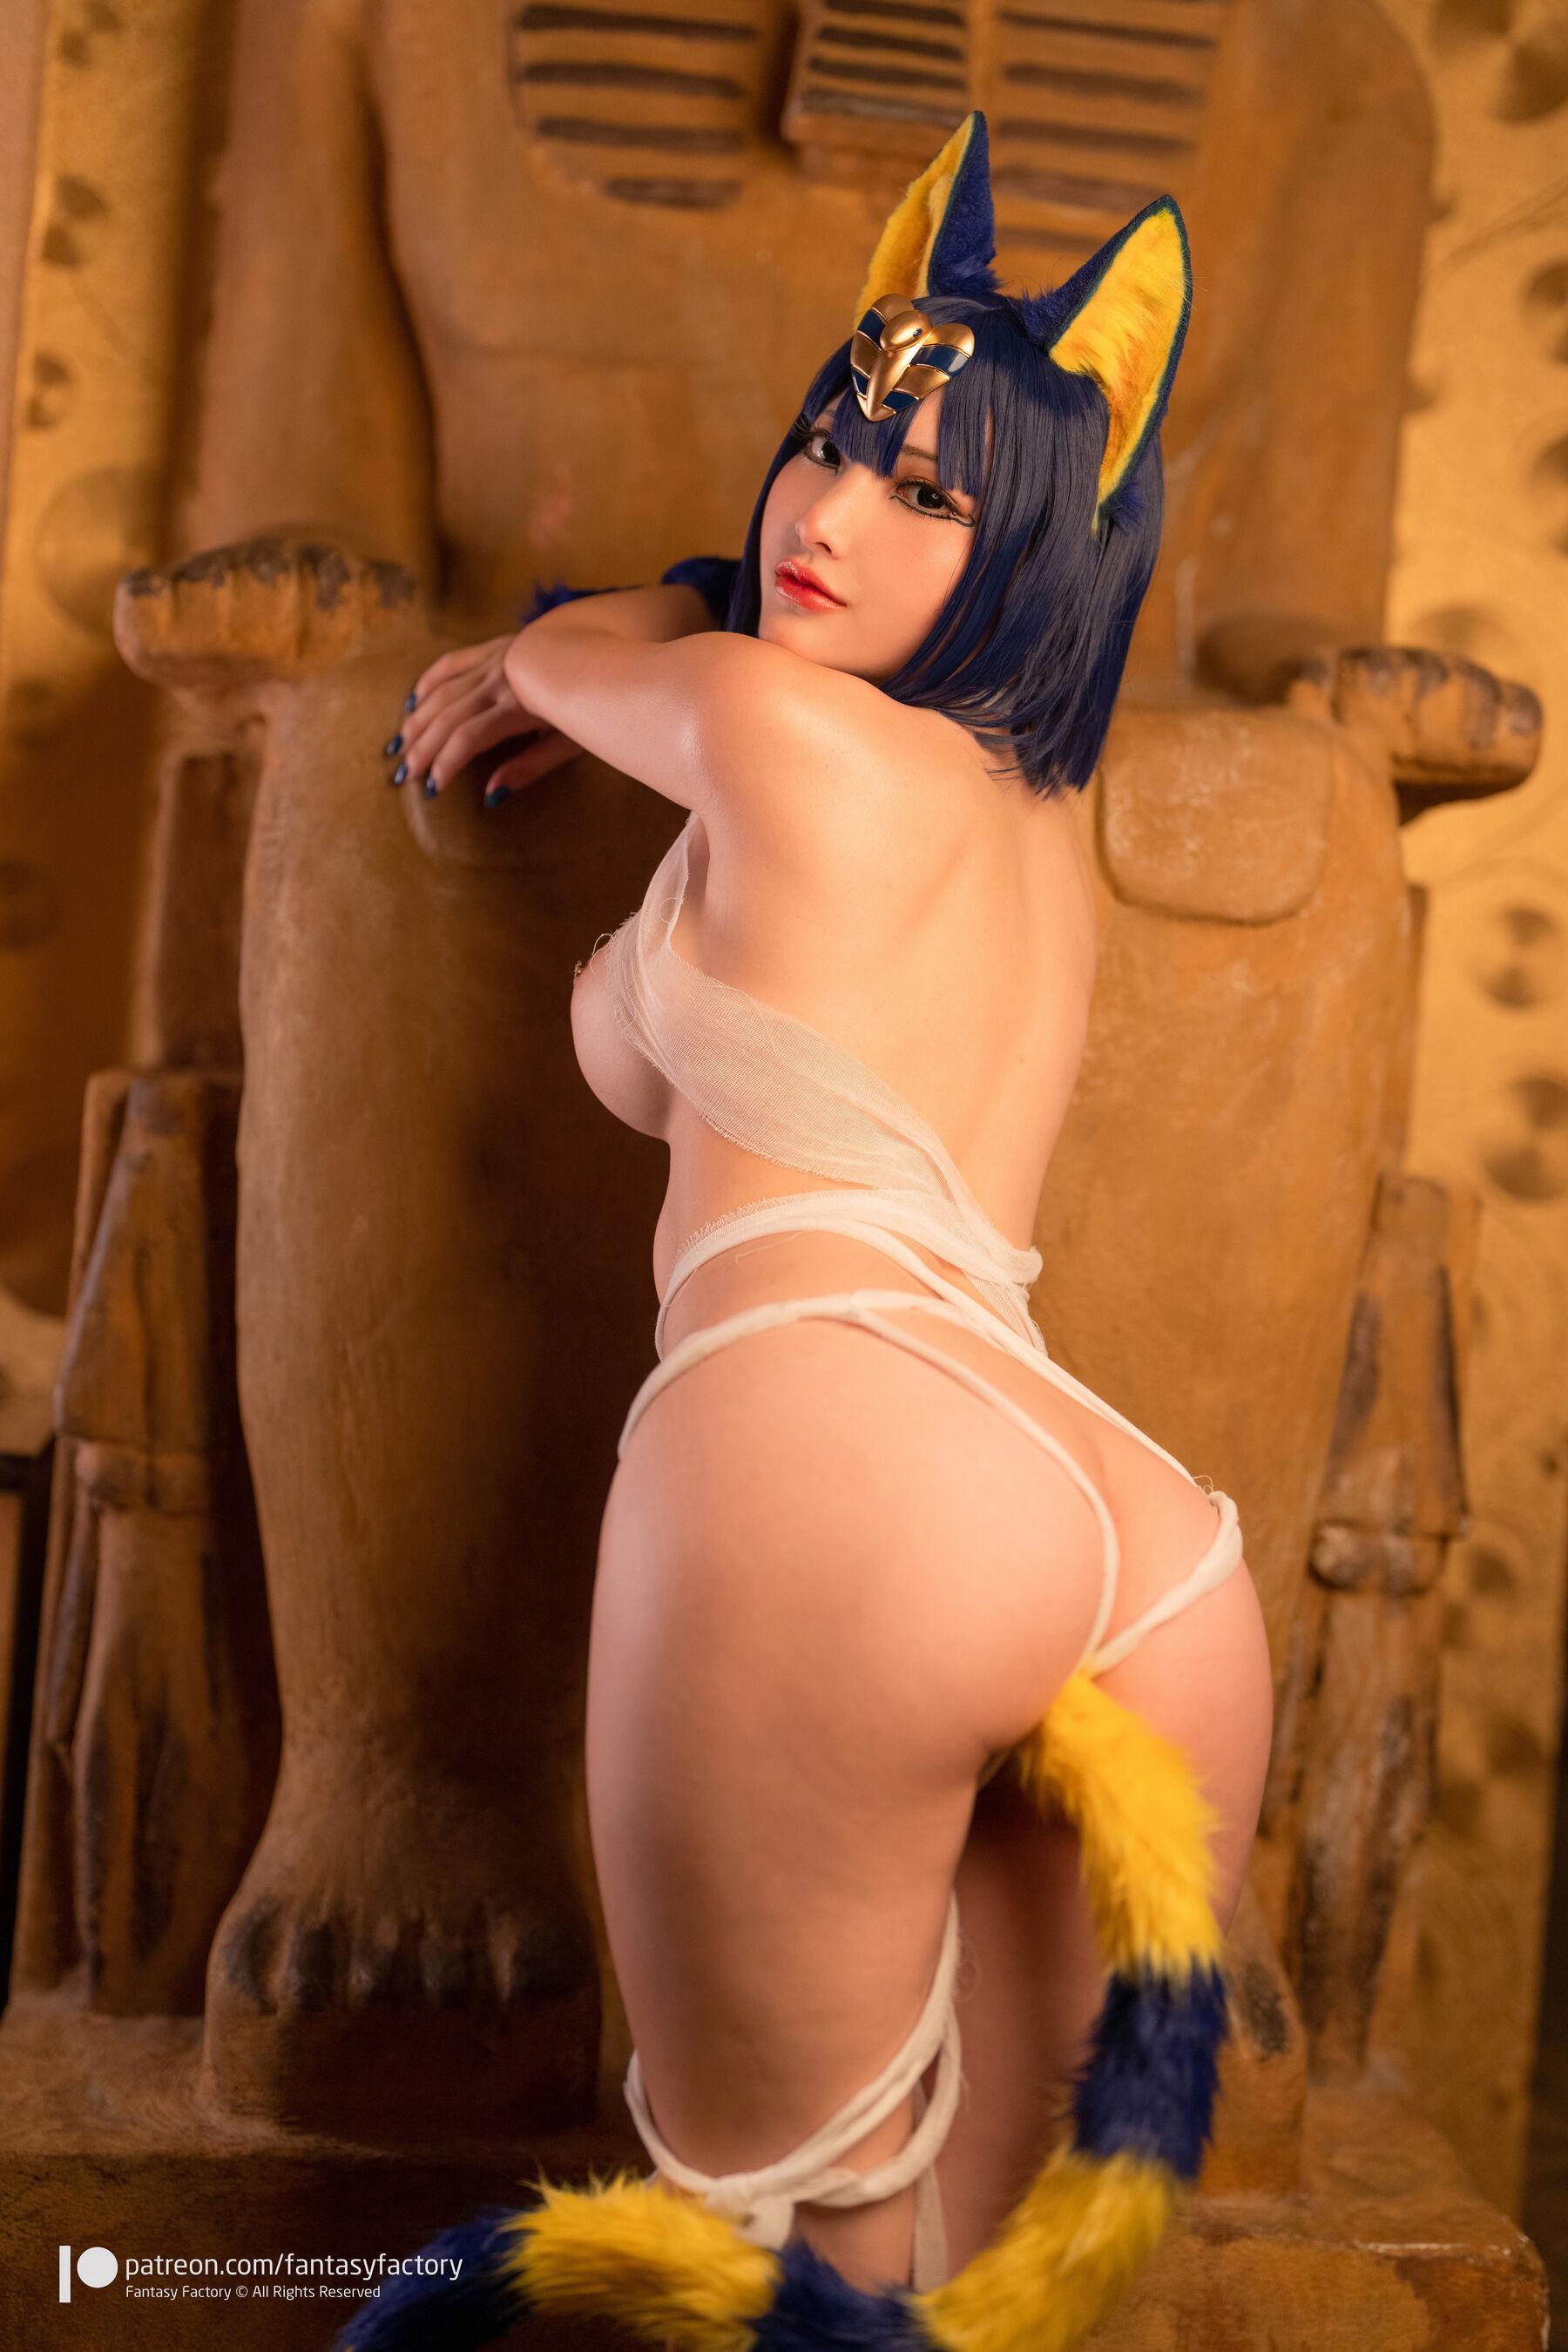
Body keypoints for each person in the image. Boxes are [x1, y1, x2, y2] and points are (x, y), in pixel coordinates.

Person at [340, 112, 1273, 2352]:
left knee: (774, 2273)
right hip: (1139, 1551)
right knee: (974, 2317)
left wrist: (632, 617)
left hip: (822, 1480)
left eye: (927, 492)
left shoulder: (767, 726)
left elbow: (557, 659)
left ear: (1040, 541)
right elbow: (662, 691)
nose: (828, 515)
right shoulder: (1034, 816)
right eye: (830, 447)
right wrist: (683, 630)